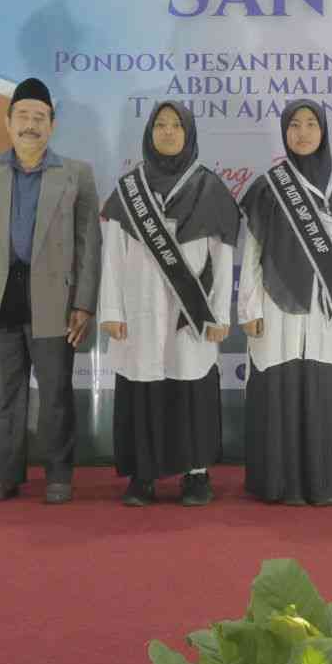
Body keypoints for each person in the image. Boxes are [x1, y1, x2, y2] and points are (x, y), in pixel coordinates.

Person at [0, 78, 101, 504]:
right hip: (0, 295)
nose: (30, 125)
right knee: (7, 393)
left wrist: (84, 303)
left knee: (55, 392)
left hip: (55, 298)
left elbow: (89, 244)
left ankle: (58, 475)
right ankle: (6, 475)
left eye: (40, 117)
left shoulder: (76, 174)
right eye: (22, 116)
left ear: (52, 125)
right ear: (8, 123)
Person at [98, 101, 240, 507]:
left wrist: (219, 314)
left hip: (192, 314)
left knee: (191, 388)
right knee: (143, 390)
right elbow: (113, 255)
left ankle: (196, 475)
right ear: (149, 133)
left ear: (188, 133)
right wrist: (111, 311)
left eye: (176, 125)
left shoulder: (210, 188)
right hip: (138, 309)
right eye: (160, 125)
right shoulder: (129, 190)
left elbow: (223, 256)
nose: (168, 131)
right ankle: (142, 477)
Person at [237, 99, 332, 506]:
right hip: (276, 308)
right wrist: (249, 308)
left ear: (323, 131)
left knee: (327, 390)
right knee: (281, 389)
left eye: (312, 124)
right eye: (294, 125)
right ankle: (280, 484)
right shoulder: (267, 187)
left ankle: (328, 482)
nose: (303, 132)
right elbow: (252, 251)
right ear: (284, 132)